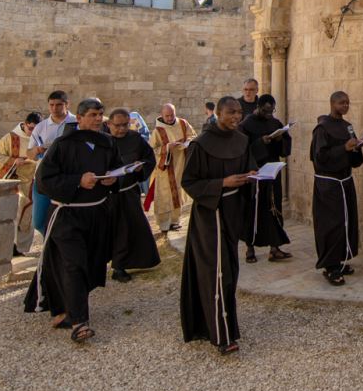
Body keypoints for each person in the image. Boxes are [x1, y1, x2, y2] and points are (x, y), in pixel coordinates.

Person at [23, 98, 124, 344]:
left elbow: (116, 170)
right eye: (92, 115)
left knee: (89, 264)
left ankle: (67, 307)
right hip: (68, 215)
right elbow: (44, 181)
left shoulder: (108, 143)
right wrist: (77, 181)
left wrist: (113, 179)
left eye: (101, 114)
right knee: (74, 264)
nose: (99, 119)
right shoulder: (62, 145)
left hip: (97, 214)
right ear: (78, 119)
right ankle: (79, 322)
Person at [179, 97, 256, 353]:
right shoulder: (200, 145)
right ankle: (222, 336)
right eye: (231, 112)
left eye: (238, 113)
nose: (236, 117)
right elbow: (189, 182)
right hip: (210, 215)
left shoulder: (242, 140)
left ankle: (224, 324)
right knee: (216, 272)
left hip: (234, 212)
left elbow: (249, 167)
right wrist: (221, 184)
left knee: (230, 270)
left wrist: (254, 175)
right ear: (218, 114)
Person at [310, 91, 363, 285]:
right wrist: (344, 148)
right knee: (331, 225)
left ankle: (341, 261)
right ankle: (330, 266)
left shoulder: (347, 127)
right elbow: (320, 158)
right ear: (332, 103)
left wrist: (357, 147)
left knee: (346, 222)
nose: (345, 106)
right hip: (329, 185)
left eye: (348, 103)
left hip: (345, 181)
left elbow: (355, 159)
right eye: (342, 103)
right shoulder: (322, 129)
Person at [105, 108, 160, 282]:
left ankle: (120, 265)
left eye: (125, 125)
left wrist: (140, 168)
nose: (121, 129)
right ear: (109, 124)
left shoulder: (135, 139)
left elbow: (149, 158)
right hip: (105, 195)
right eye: (117, 125)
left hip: (128, 191)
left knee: (128, 228)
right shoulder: (101, 141)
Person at [240, 94, 292, 263]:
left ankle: (275, 248)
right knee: (253, 209)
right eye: (266, 111)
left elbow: (285, 147)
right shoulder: (246, 124)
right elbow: (243, 149)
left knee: (274, 207)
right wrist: (261, 142)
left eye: (272, 111)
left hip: (273, 173)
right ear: (258, 107)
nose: (269, 114)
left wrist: (279, 138)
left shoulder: (275, 123)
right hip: (255, 173)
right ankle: (250, 248)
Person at [0, 111, 41, 256]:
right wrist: (14, 161)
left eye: (36, 130)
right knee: (15, 210)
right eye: (30, 129)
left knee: (28, 214)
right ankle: (10, 245)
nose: (32, 133)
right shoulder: (11, 138)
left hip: (31, 181)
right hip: (13, 180)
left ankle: (21, 248)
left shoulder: (40, 138)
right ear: (25, 124)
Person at [30, 90, 76, 238]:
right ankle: (52, 242)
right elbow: (29, 153)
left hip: (68, 175)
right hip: (44, 176)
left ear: (67, 104)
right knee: (38, 221)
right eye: (51, 105)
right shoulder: (41, 127)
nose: (55, 108)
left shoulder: (77, 123)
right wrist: (37, 150)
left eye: (59, 105)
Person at [148, 103, 196, 235]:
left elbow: (193, 136)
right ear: (162, 115)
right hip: (165, 168)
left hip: (181, 164)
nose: (169, 118)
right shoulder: (158, 131)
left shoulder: (183, 123)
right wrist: (168, 147)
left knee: (178, 193)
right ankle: (164, 224)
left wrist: (187, 142)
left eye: (172, 115)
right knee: (164, 196)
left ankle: (175, 221)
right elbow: (152, 149)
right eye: (167, 116)